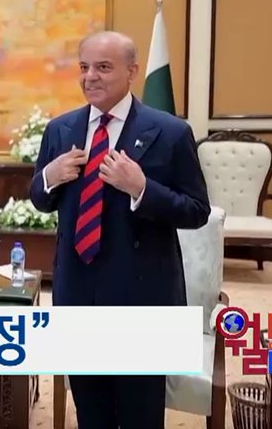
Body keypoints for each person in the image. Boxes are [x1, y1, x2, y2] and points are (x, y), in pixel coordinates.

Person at [29, 30, 210, 429]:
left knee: (139, 415)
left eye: (103, 67)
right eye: (84, 67)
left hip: (142, 300)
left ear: (132, 71)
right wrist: (49, 176)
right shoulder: (60, 129)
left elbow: (197, 211)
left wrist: (142, 188)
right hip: (78, 295)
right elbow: (40, 199)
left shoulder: (170, 132)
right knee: (91, 414)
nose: (90, 76)